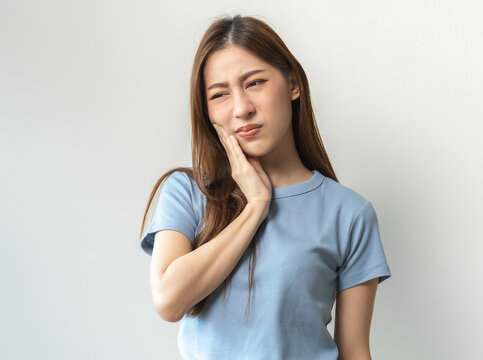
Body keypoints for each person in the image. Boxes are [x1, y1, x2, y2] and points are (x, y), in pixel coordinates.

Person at [139, 14, 391, 360]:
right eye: (219, 94)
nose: (241, 108)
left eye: (254, 83)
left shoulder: (348, 214)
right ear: (207, 111)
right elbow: (169, 300)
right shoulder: (187, 192)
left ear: (292, 85)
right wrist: (256, 206)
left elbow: (354, 350)